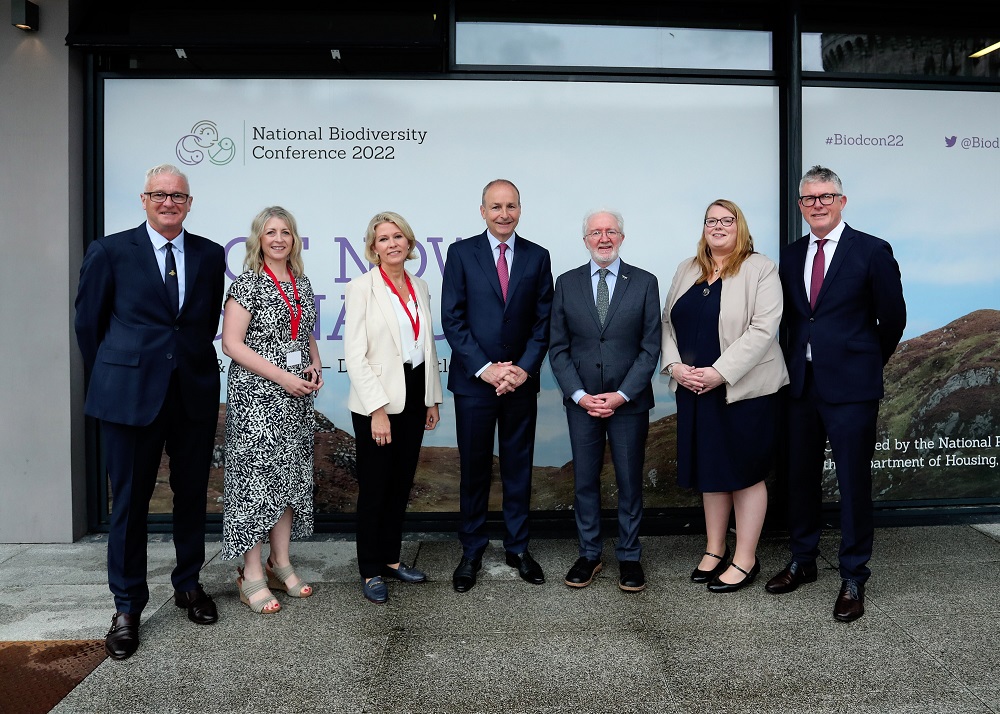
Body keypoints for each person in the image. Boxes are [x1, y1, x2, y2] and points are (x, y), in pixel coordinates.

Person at [75, 163, 225, 660]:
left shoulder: (209, 254)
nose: (168, 202)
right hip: (129, 398)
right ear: (143, 199)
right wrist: (118, 378)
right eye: (158, 194)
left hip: (192, 394)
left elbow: (199, 324)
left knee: (190, 498)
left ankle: (188, 585)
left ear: (189, 202)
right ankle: (126, 606)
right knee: (130, 505)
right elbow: (88, 327)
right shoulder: (110, 251)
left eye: (177, 196)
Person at [766, 166, 905, 621]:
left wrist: (862, 363)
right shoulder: (790, 255)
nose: (817, 204)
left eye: (826, 196)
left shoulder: (872, 250)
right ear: (801, 206)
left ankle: (853, 574)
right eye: (809, 199)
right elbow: (793, 320)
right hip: (801, 386)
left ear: (842, 201)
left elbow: (893, 319)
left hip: (851, 389)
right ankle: (803, 561)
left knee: (852, 482)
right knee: (800, 478)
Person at [661, 199, 789, 593]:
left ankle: (745, 557)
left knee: (745, 473)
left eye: (726, 220)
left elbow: (763, 330)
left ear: (740, 226)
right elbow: (667, 323)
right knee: (711, 470)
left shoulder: (760, 268)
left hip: (743, 391)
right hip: (694, 388)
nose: (718, 226)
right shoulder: (688, 268)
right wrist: (675, 367)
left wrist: (719, 372)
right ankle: (714, 549)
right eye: (710, 221)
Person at [441, 179, 554, 593]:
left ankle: (518, 548)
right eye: (495, 207)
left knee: (517, 468)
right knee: (473, 469)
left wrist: (522, 369)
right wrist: (486, 368)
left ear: (520, 209)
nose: (503, 214)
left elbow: (544, 321)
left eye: (511, 206)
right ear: (482, 210)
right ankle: (471, 550)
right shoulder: (460, 253)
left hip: (521, 383)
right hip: (474, 384)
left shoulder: (537, 256)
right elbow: (452, 319)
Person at [548, 210, 661, 592]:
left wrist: (621, 394)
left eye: (611, 231)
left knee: (629, 481)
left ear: (622, 237)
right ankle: (589, 554)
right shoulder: (566, 283)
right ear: (585, 240)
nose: (604, 237)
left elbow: (650, 348)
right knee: (584, 481)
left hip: (628, 402)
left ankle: (629, 556)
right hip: (582, 403)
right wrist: (579, 396)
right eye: (596, 232)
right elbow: (558, 348)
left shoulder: (645, 282)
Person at [220, 206, 322, 614]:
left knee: (288, 481)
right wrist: (283, 376)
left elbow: (306, 333)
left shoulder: (301, 282)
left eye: (285, 232)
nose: (278, 238)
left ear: (294, 239)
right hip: (257, 400)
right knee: (256, 484)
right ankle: (251, 574)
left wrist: (314, 365)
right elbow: (232, 344)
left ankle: (280, 563)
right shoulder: (247, 284)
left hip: (296, 400)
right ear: (258, 240)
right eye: (270, 232)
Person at [344, 211, 443, 604]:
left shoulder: (419, 285)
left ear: (409, 242)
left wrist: (432, 397)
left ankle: (390, 559)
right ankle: (369, 570)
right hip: (379, 399)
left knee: (400, 484)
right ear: (373, 248)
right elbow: (355, 354)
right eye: (383, 239)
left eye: (398, 236)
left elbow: (427, 345)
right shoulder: (361, 287)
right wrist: (378, 410)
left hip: (415, 392)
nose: (392, 244)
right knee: (375, 487)